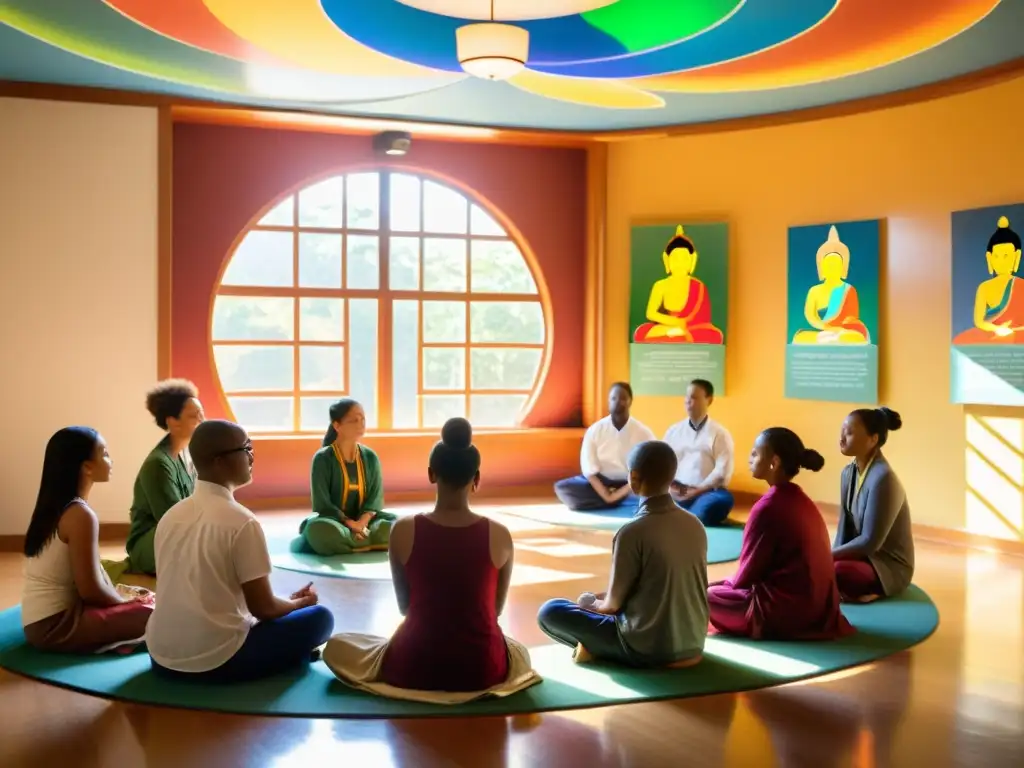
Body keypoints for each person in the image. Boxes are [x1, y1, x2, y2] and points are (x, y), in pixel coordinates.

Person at [146, 420, 335, 683]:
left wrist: (287, 604)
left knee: (288, 616)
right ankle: (293, 657)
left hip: (161, 657)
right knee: (321, 618)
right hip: (218, 661)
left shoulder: (171, 516)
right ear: (219, 461)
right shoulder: (242, 521)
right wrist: (300, 603)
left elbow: (204, 591)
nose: (252, 456)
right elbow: (264, 609)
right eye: (246, 449)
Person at [537, 440, 709, 667]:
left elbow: (611, 607)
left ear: (634, 477)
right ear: (672, 475)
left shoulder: (632, 532)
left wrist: (588, 602)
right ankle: (596, 645)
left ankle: (597, 648)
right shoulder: (695, 524)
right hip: (694, 643)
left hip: (645, 648)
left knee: (551, 611)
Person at [377, 418, 515, 691]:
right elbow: (494, 611)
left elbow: (405, 607)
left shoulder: (402, 530)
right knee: (519, 654)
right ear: (476, 479)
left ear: (431, 473)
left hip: (414, 667)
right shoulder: (500, 535)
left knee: (344, 649)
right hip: (482, 670)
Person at [707, 428, 853, 640]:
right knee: (713, 590)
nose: (750, 458)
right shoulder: (801, 498)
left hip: (787, 612)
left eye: (756, 454)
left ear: (774, 463)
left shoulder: (766, 507)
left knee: (706, 598)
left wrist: (712, 587)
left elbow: (745, 577)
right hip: (820, 608)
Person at [21, 427, 153, 653]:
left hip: (39, 622)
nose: (110, 460)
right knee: (159, 613)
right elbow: (90, 590)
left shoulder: (57, 506)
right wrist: (124, 604)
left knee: (145, 598)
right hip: (56, 626)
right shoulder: (80, 515)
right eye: (104, 453)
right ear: (86, 467)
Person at [833, 407, 915, 602]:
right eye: (842, 431)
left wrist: (828, 558)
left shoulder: (884, 479)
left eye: (850, 433)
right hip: (864, 557)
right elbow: (844, 526)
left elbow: (870, 542)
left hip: (887, 564)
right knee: (821, 567)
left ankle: (875, 591)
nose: (842, 438)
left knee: (837, 571)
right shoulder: (848, 473)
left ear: (873, 439)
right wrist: (827, 555)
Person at [123, 380, 204, 575]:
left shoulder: (189, 453)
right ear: (172, 422)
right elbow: (175, 521)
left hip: (180, 534)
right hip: (150, 545)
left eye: (201, 413)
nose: (202, 420)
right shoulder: (158, 464)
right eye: (194, 416)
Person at [299, 399, 395, 555]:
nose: (361, 424)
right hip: (335, 522)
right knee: (318, 530)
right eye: (354, 420)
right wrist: (350, 524)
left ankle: (353, 543)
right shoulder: (323, 458)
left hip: (368, 523)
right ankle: (368, 543)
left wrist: (361, 524)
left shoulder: (370, 457)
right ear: (337, 425)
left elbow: (375, 499)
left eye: (363, 419)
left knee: (400, 525)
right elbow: (322, 503)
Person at [553, 382, 655, 511]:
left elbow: (650, 467)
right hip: (601, 483)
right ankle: (620, 501)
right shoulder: (595, 430)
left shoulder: (643, 432)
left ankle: (618, 499)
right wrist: (607, 496)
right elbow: (589, 471)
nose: (618, 402)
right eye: (613, 398)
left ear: (630, 401)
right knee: (563, 488)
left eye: (623, 398)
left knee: (654, 488)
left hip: (632, 483)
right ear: (608, 401)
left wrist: (623, 490)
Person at [632, 225, 724, 343]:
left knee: (715, 334)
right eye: (675, 258)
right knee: (641, 332)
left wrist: (683, 325)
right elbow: (651, 313)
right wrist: (676, 322)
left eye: (684, 259)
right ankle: (675, 334)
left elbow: (703, 321)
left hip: (690, 328)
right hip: (668, 326)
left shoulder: (699, 287)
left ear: (692, 260)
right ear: (667, 260)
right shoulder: (660, 285)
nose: (679, 263)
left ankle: (675, 335)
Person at [663, 379, 735, 525]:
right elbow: (662, 462)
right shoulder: (673, 431)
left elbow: (723, 471)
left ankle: (682, 515)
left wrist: (697, 491)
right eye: (687, 397)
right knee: (646, 498)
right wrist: (671, 487)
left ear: (709, 400)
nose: (688, 401)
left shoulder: (720, 433)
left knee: (722, 501)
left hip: (706, 492)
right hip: (677, 491)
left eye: (694, 397)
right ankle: (689, 516)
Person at [952, 216, 1024, 343]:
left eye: (1006, 256)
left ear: (1016, 257)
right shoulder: (984, 287)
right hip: (994, 335)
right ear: (989, 258)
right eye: (996, 256)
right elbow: (979, 321)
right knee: (962, 341)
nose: (1001, 261)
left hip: (1019, 336)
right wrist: (996, 329)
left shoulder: (1021, 285)